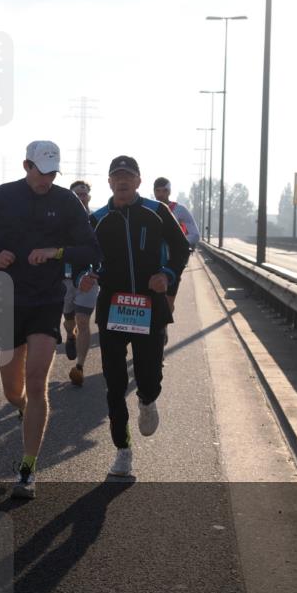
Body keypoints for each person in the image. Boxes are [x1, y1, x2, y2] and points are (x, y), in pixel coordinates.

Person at [0, 141, 102, 499]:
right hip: (7, 299)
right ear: (27, 165)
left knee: (37, 380)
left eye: (54, 172)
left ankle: (27, 468)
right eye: (43, 171)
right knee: (13, 391)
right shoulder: (3, 196)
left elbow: (90, 248)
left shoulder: (65, 201)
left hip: (46, 298)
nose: (48, 178)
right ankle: (22, 407)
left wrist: (55, 253)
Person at [76, 156, 189, 477]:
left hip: (150, 306)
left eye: (128, 176)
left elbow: (181, 249)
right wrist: (86, 274)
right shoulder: (98, 218)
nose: (122, 182)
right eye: (117, 177)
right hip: (113, 306)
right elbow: (86, 257)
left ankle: (148, 401)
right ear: (109, 182)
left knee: (149, 374)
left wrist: (166, 274)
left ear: (139, 181)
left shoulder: (156, 212)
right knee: (113, 384)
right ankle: (123, 452)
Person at [64, 181, 100, 386]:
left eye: (84, 194)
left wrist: (96, 272)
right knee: (69, 319)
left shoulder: (96, 220)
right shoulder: (59, 221)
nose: (81, 197)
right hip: (65, 278)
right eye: (76, 194)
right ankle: (70, 335)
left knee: (83, 319)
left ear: (89, 197)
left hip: (89, 277)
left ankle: (80, 366)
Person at [152, 177, 199, 316]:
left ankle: (164, 325)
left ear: (169, 191)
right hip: (152, 258)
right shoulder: (148, 208)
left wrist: (178, 242)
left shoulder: (180, 210)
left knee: (168, 300)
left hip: (174, 260)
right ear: (154, 191)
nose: (161, 194)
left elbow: (195, 234)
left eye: (164, 190)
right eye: (157, 191)